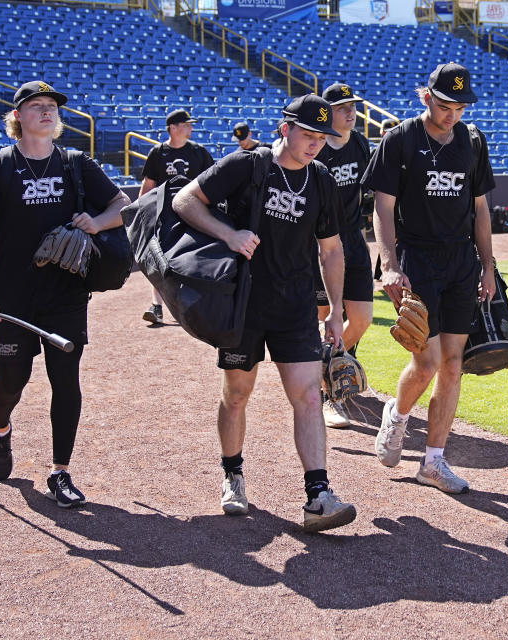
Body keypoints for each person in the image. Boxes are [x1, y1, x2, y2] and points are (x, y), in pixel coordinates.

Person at [171, 94, 356, 533]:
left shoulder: (322, 181)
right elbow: (184, 201)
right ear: (284, 128)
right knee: (236, 394)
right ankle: (232, 474)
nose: (315, 144)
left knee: (309, 395)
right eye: (308, 134)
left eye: (322, 137)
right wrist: (229, 233)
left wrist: (334, 310)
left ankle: (318, 495)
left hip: (295, 305)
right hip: (243, 304)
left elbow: (331, 252)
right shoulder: (246, 165)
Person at [0, 81, 130, 506]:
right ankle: (1, 429)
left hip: (66, 294)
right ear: (17, 116)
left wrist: (98, 222)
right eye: (36, 106)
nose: (47, 112)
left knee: (66, 381)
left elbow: (121, 205)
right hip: (13, 299)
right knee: (11, 383)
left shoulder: (76, 164)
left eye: (52, 107)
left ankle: (61, 471)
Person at [363, 62, 496, 494]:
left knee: (454, 366)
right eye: (443, 105)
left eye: (459, 106)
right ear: (425, 97)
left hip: (460, 260)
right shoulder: (400, 139)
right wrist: (389, 263)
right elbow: (382, 207)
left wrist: (488, 265)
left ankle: (434, 462)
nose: (451, 114)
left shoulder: (473, 142)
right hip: (416, 257)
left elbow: (480, 209)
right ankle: (397, 416)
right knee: (426, 362)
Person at [312, 82, 374, 429]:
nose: (351, 112)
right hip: (321, 244)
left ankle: (325, 370)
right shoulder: (317, 148)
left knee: (361, 319)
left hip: (354, 240)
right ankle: (327, 395)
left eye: (353, 106)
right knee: (324, 317)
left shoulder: (362, 144)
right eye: (342, 107)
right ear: (327, 112)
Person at [138, 109, 215, 324]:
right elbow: (148, 185)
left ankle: (196, 304)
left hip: (194, 213)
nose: (190, 127)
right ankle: (156, 306)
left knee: (196, 258)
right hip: (165, 215)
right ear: (173, 127)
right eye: (186, 124)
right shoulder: (158, 153)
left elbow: (212, 181)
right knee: (159, 258)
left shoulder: (199, 152)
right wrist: (142, 212)